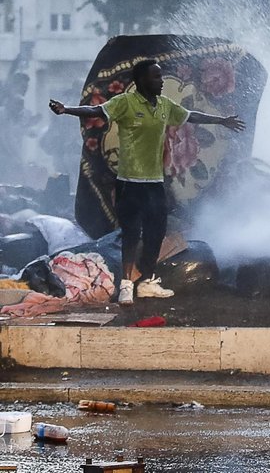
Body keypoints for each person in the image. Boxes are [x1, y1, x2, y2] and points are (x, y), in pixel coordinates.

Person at [48, 59, 245, 305]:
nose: (161, 81)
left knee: (156, 232)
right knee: (131, 234)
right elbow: (96, 111)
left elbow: (190, 116)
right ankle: (127, 286)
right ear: (141, 80)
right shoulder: (125, 102)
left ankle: (148, 281)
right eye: (156, 77)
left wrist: (220, 121)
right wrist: (66, 109)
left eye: (161, 77)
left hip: (154, 183)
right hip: (129, 183)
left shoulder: (164, 106)